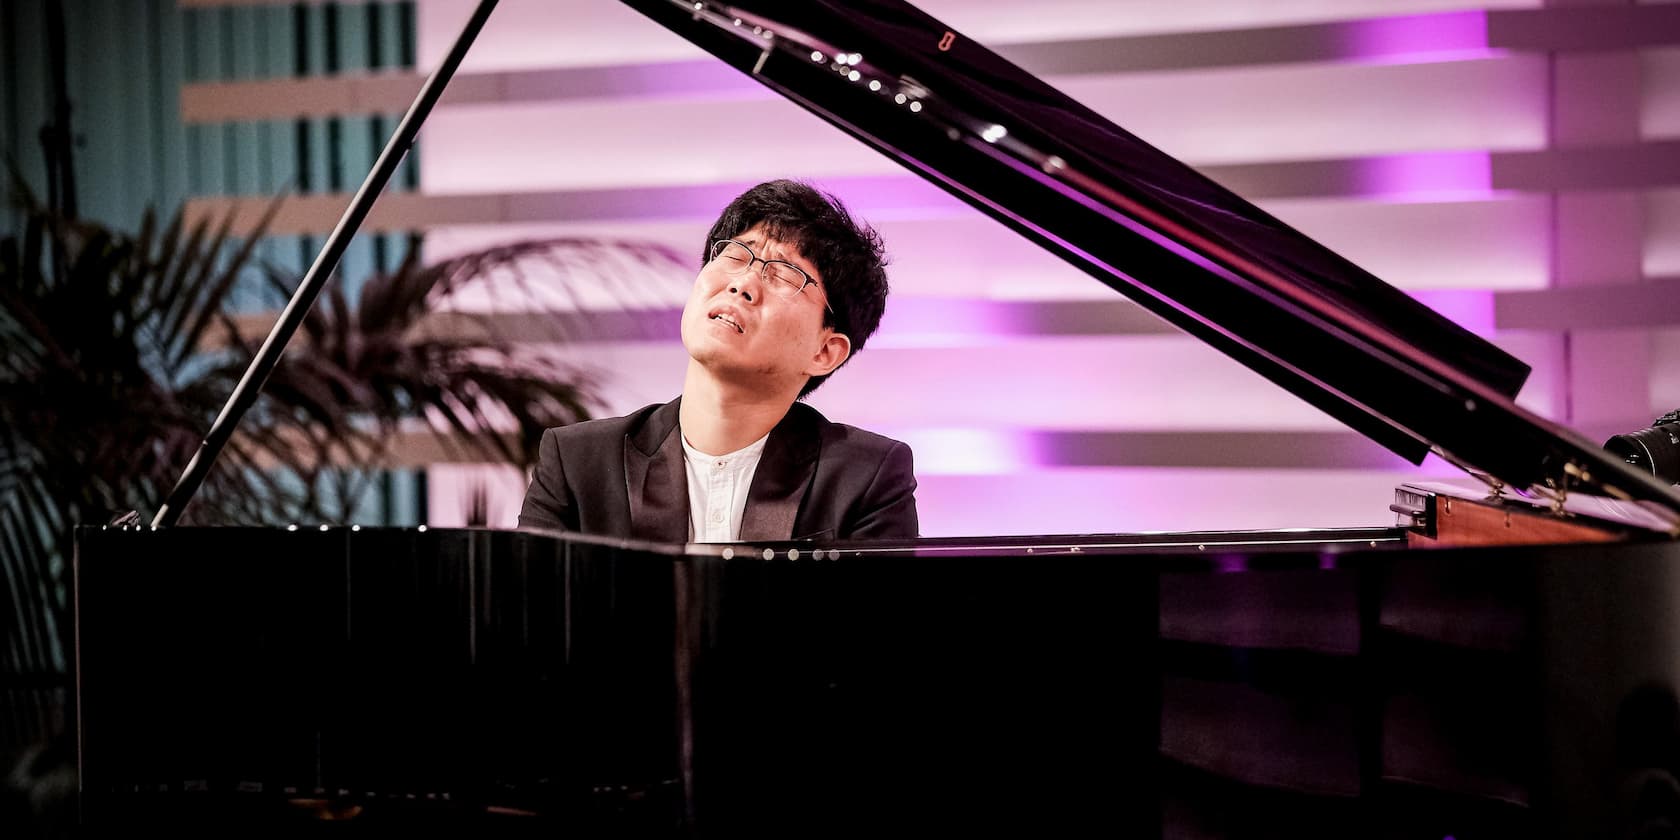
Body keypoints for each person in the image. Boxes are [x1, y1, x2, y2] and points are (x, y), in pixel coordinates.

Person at [517, 179, 917, 542]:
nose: (743, 284)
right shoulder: (577, 461)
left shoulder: (866, 478)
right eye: (737, 254)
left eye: (784, 274)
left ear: (824, 351)